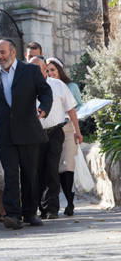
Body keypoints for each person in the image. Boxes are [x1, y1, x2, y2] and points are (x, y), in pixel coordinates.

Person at [0, 39, 53, 230]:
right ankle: (13, 214)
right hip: (5, 134)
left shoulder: (29, 71)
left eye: (2, 52)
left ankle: (29, 213)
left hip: (28, 131)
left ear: (13, 53)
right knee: (10, 175)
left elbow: (45, 92)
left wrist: (44, 108)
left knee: (30, 174)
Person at [29, 57, 83, 220]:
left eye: (37, 67)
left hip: (55, 132)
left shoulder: (58, 85)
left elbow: (71, 109)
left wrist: (77, 131)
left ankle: (51, 208)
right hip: (35, 134)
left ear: (44, 67)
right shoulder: (27, 87)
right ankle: (37, 207)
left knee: (52, 168)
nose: (34, 71)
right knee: (37, 170)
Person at [46, 57, 83, 216]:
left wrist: (76, 127)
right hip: (53, 129)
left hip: (69, 129)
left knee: (68, 166)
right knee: (57, 166)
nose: (50, 73)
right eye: (47, 70)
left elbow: (79, 107)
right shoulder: (44, 86)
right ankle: (51, 203)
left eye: (53, 70)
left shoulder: (71, 87)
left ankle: (69, 202)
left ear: (60, 70)